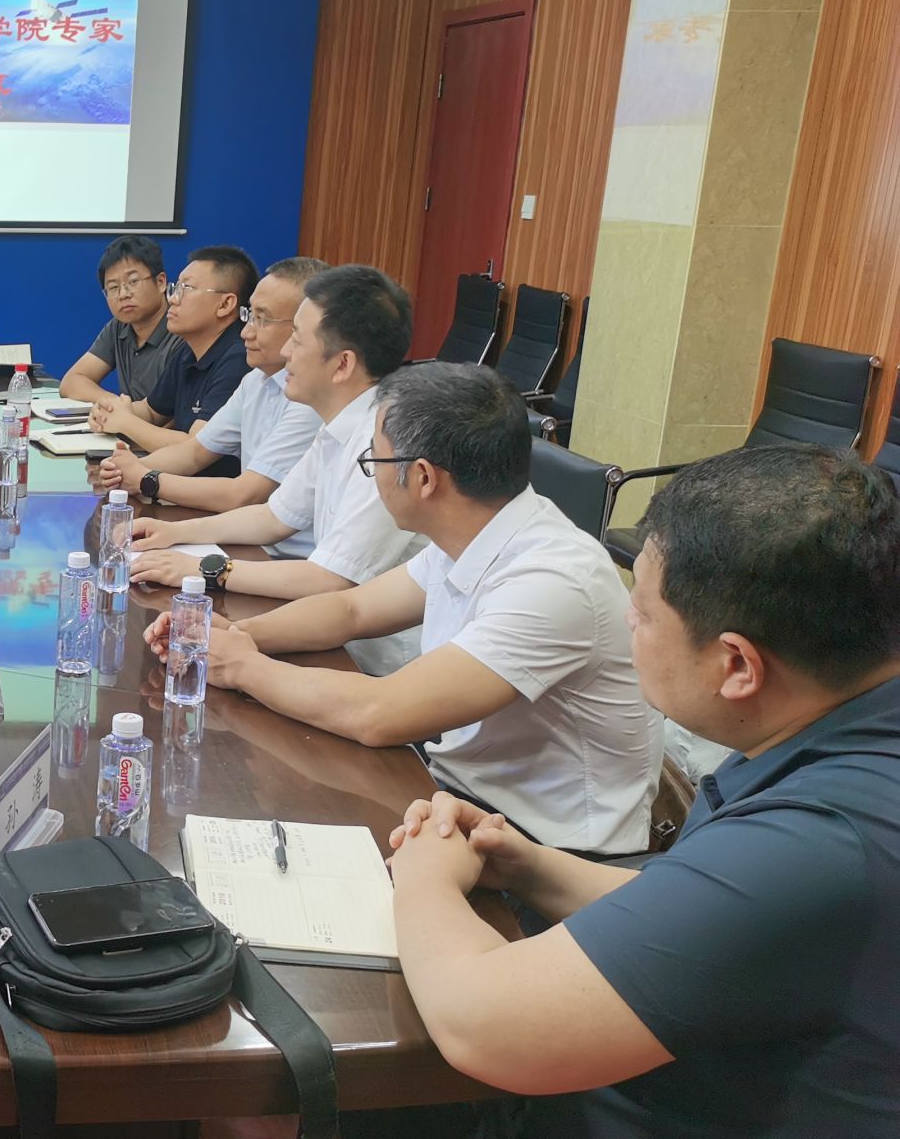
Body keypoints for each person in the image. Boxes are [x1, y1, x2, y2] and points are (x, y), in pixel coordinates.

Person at [237, 444, 900, 1139]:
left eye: (644, 611)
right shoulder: (846, 740)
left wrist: (424, 872)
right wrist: (532, 865)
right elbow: (704, 912)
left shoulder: (824, 840)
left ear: (737, 665)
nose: (627, 623)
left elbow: (484, 1025)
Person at [144, 363, 660, 853]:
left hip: (549, 848)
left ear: (423, 478)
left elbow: (379, 713)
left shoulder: (552, 580)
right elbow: (351, 610)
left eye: (374, 461)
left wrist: (242, 666)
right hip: (462, 796)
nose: (371, 476)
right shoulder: (477, 529)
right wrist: (233, 635)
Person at [129, 265, 423, 673]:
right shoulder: (338, 424)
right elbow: (272, 517)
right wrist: (175, 533)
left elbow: (329, 579)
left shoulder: (386, 444)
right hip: (320, 631)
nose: (286, 354)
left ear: (342, 365)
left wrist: (202, 568)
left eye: (297, 341)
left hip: (374, 664)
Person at [101, 256, 327, 512]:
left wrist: (145, 479)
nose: (246, 332)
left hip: (263, 531)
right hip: (248, 526)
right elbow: (193, 453)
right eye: (249, 316)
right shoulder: (255, 380)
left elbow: (244, 495)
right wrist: (126, 469)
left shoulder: (311, 398)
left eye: (262, 319)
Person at [85, 246, 257, 453]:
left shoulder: (239, 358)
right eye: (176, 288)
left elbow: (197, 447)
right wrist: (109, 411)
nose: (173, 298)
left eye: (187, 289)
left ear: (225, 304)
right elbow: (151, 411)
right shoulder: (189, 351)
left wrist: (125, 422)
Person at [58, 235, 184, 408]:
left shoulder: (183, 329)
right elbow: (71, 381)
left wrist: (123, 412)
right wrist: (117, 405)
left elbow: (173, 414)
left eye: (133, 281)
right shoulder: (118, 327)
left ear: (161, 282)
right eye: (113, 287)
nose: (123, 294)